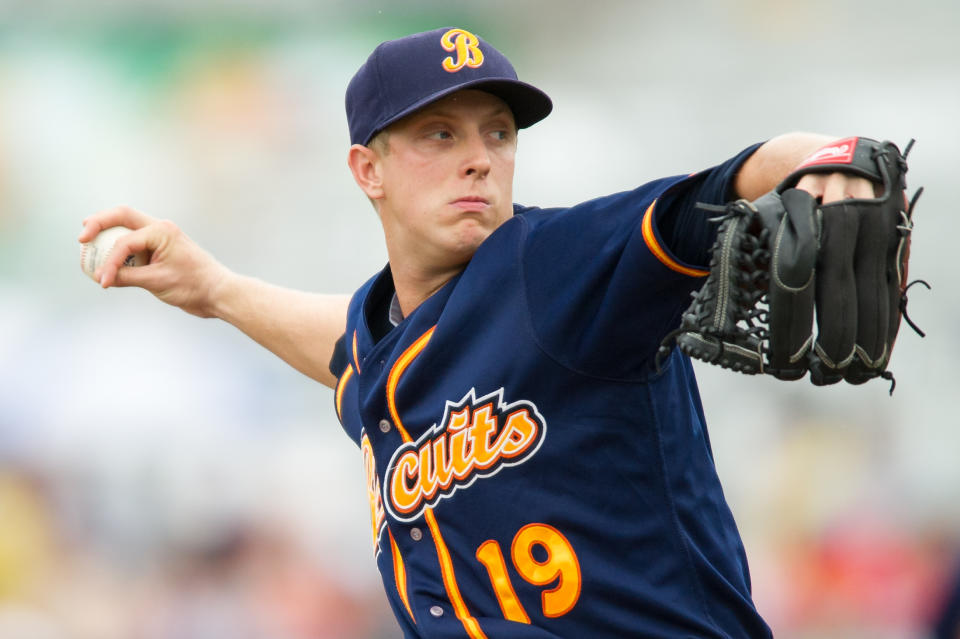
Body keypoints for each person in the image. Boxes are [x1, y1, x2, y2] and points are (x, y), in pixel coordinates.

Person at [79, 27, 881, 638]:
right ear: (368, 170)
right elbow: (352, 355)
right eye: (440, 134)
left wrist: (831, 158)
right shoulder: (382, 343)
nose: (479, 160)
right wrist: (217, 289)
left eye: (497, 133)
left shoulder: (553, 266)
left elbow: (718, 186)